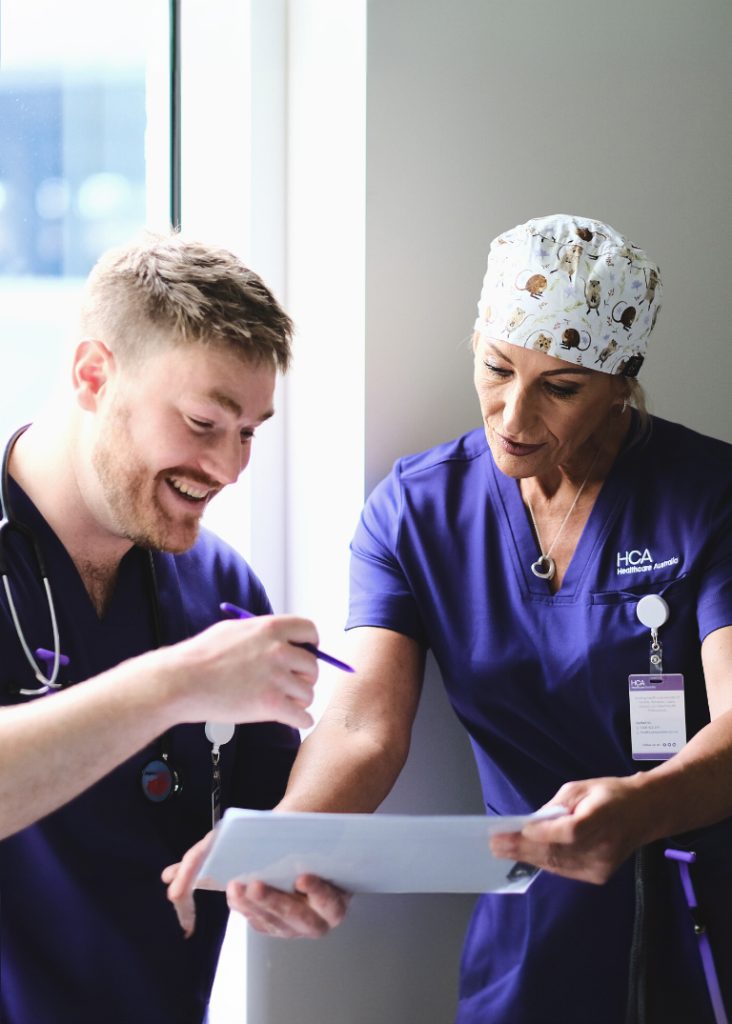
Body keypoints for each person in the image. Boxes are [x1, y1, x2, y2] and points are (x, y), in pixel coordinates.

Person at [169, 214, 732, 1023]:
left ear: (620, 382)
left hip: (700, 903)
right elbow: (364, 724)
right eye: (498, 367)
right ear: (475, 340)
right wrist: (283, 845)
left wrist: (645, 805)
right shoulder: (416, 511)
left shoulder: (708, 497)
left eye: (562, 388)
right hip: (531, 923)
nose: (513, 414)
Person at [0, 232, 323, 1024]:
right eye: (203, 422)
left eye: (249, 431)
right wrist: (174, 684)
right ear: (93, 375)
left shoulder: (223, 592)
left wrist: (292, 865)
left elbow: (278, 815)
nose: (229, 467)